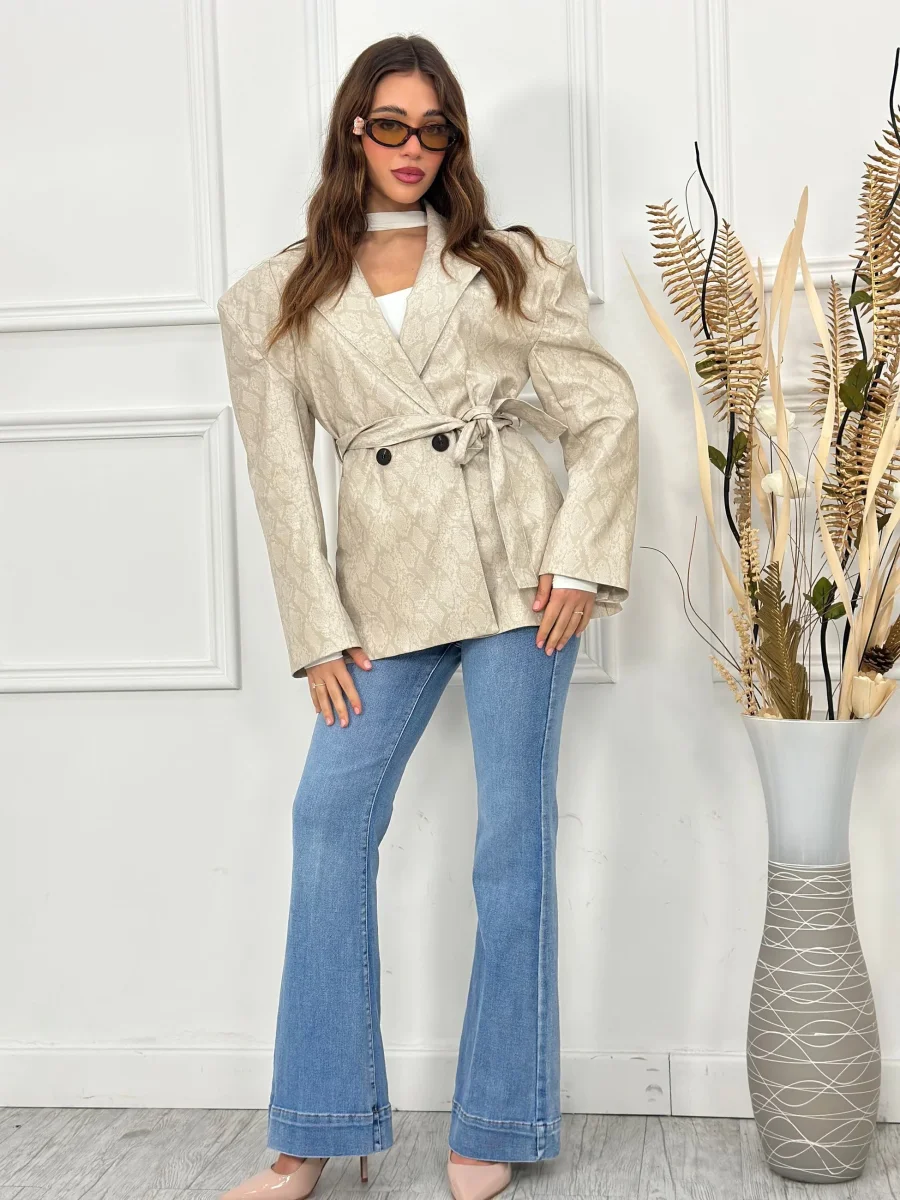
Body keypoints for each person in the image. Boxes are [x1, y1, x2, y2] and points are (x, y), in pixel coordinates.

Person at [216, 33, 639, 1200]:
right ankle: (310, 1131)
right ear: (354, 131)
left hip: (517, 573)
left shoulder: (508, 264)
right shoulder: (276, 296)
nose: (413, 148)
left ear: (452, 141)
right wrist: (317, 632)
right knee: (327, 819)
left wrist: (579, 559)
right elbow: (280, 480)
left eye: (434, 128)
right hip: (381, 593)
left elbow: (603, 411)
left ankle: (494, 1120)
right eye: (392, 125)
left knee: (512, 838)